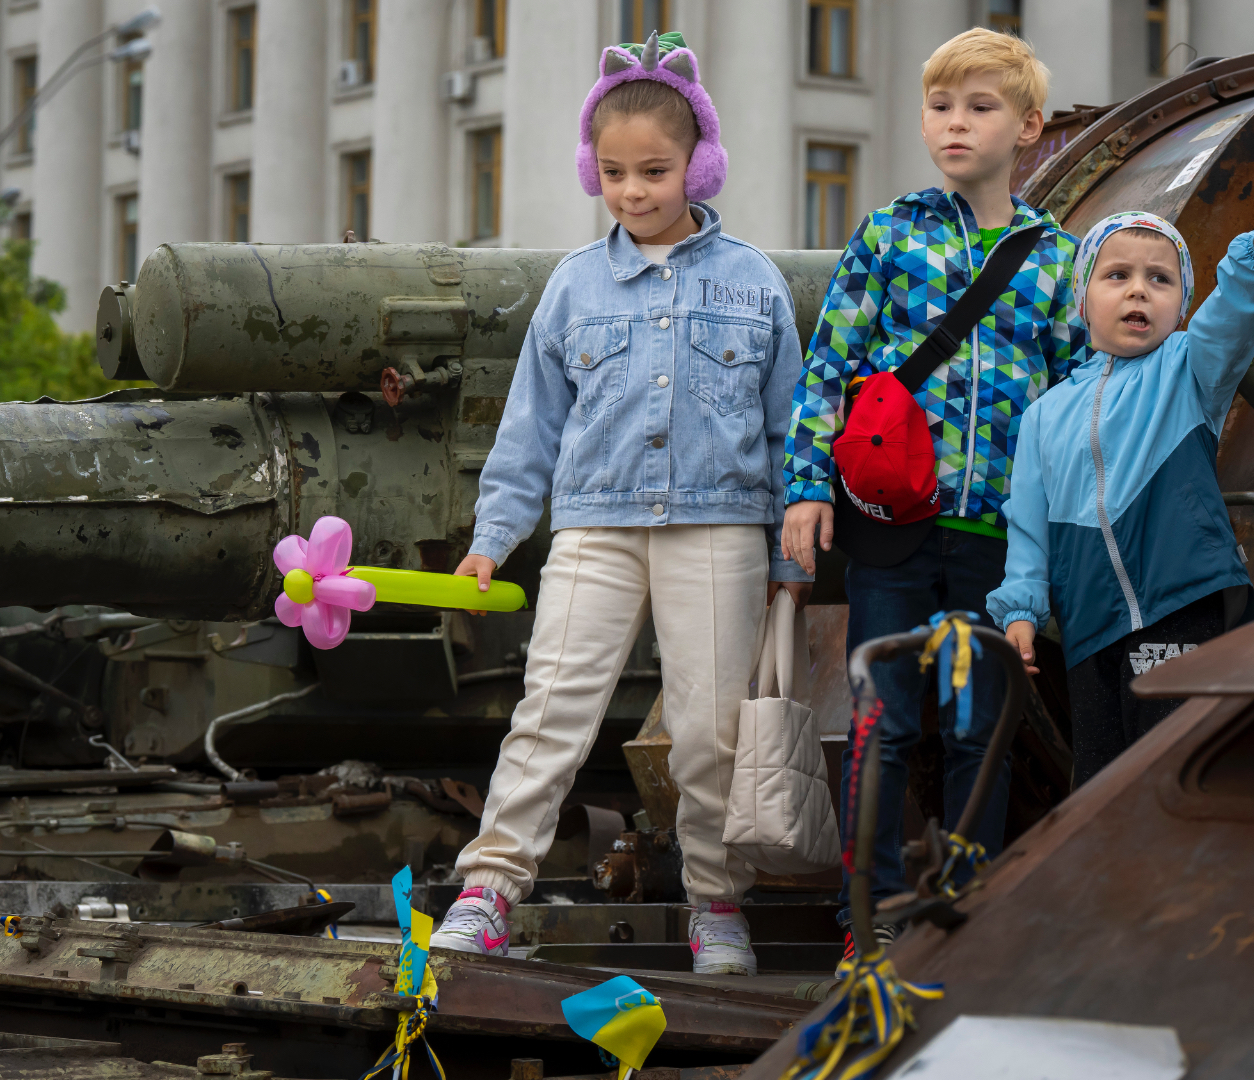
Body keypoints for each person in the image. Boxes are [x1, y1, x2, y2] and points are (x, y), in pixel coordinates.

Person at [429, 31, 811, 977]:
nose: (634, 190)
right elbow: (529, 432)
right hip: (595, 526)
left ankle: (716, 904)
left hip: (719, 527)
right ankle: (488, 890)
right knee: (550, 708)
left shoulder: (755, 283)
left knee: (709, 731)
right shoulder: (571, 287)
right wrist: (492, 539)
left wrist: (788, 561)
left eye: (655, 170)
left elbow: (791, 430)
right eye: (613, 172)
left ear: (699, 165)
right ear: (589, 168)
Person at [778, 28, 1085, 960]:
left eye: (980, 107)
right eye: (941, 106)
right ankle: (862, 921)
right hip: (890, 528)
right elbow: (827, 369)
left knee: (977, 728)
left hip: (997, 534)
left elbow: (1074, 396)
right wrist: (805, 487)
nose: (955, 123)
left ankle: (968, 915)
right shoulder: (888, 235)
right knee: (884, 719)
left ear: (1028, 126)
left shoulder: (1054, 258)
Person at [987, 205, 1254, 788]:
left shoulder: (1189, 371)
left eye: (1160, 279)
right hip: (1090, 627)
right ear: (1081, 302)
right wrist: (1020, 609)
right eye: (1118, 276)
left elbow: (1229, 322)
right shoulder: (1042, 416)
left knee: (1179, 767)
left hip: (1184, 603)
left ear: (1180, 305)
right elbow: (1028, 525)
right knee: (1102, 781)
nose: (1139, 291)